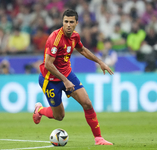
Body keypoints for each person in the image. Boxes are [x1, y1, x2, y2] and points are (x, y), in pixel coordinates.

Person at [33, 9, 114, 145]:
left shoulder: (75, 36)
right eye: (66, 22)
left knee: (87, 103)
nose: (68, 25)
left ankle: (98, 139)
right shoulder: (54, 38)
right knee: (59, 116)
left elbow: (82, 50)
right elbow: (48, 64)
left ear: (76, 23)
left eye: (71, 22)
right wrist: (65, 81)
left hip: (67, 75)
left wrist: (100, 62)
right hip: (50, 79)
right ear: (62, 22)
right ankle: (39, 110)